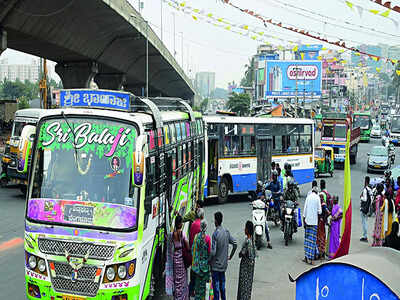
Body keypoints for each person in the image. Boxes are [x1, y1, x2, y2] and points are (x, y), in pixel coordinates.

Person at [210, 212, 237, 300]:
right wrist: (231, 256)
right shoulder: (226, 232)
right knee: (222, 287)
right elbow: (235, 243)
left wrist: (208, 260)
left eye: (214, 219)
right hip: (224, 265)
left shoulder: (215, 234)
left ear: (216, 221)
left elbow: (213, 252)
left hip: (215, 266)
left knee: (216, 289)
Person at [166, 215, 190, 300]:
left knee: (176, 280)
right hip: (182, 260)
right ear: (180, 224)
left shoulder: (172, 234)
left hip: (175, 260)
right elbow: (187, 247)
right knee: (182, 281)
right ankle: (182, 297)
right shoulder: (182, 234)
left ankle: (177, 297)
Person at [192, 219, 211, 300]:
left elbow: (193, 249)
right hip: (205, 268)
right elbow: (210, 252)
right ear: (206, 228)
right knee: (204, 289)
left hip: (197, 267)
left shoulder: (196, 237)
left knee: (197, 287)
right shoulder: (207, 238)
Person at [237, 221, 256, 300]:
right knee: (248, 287)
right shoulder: (252, 240)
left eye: (245, 228)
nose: (244, 229)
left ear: (247, 230)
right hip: (250, 268)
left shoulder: (247, 241)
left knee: (243, 287)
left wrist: (240, 253)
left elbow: (243, 253)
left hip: (245, 267)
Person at [303, 185, 322, 265]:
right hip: (314, 222)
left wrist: (304, 220)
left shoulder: (308, 197)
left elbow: (304, 210)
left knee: (307, 240)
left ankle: (306, 257)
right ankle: (311, 259)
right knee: (312, 241)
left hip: (307, 221)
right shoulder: (317, 198)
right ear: (317, 192)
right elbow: (320, 211)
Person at [189, 208, 205, 297]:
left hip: (193, 251)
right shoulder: (201, 225)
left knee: (193, 272)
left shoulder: (193, 224)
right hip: (199, 253)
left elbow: (191, 237)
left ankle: (191, 290)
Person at [316, 192, 329, 260]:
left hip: (320, 224)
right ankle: (320, 253)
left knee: (320, 237)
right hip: (320, 224)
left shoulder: (323, 205)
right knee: (321, 237)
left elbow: (328, 212)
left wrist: (323, 218)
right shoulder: (321, 204)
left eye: (321, 197)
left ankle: (321, 254)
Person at [360, 176, 372, 242]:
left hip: (364, 208)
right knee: (365, 221)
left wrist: (361, 197)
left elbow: (364, 199)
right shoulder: (370, 189)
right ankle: (365, 235)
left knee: (364, 222)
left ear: (366, 181)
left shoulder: (365, 189)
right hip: (368, 208)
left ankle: (365, 236)